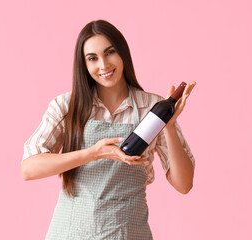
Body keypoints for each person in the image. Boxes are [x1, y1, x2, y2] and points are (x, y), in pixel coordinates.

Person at [21, 19, 196, 240]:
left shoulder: (152, 109)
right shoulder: (67, 107)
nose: (103, 65)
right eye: (92, 58)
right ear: (83, 64)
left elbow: (184, 184)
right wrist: (93, 153)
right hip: (70, 233)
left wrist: (168, 127)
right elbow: (29, 168)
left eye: (110, 52)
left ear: (123, 54)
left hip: (129, 233)